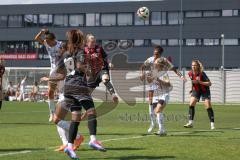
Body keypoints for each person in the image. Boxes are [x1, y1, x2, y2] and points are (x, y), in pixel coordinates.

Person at [63, 29, 108, 160]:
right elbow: (80, 66)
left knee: (76, 117)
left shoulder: (66, 52)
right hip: (78, 85)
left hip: (68, 87)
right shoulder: (81, 51)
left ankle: (69, 146)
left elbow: (67, 70)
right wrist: (89, 69)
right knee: (91, 111)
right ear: (80, 40)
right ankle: (93, 139)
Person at [40, 42, 84, 152]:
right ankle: (67, 143)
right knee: (60, 120)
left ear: (63, 49)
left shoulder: (67, 58)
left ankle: (77, 137)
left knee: (57, 119)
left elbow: (65, 76)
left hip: (68, 93)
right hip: (66, 93)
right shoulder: (66, 59)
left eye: (60, 48)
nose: (58, 50)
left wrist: (49, 79)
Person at [140, 45, 186, 133]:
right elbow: (142, 66)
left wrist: (181, 76)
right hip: (154, 83)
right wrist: (142, 75)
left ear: (160, 54)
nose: (154, 56)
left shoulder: (164, 61)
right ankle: (153, 124)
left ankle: (160, 128)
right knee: (151, 105)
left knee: (158, 109)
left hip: (161, 86)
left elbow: (174, 69)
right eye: (154, 54)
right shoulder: (150, 59)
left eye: (156, 54)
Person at [35, 28, 62, 121]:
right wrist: (42, 32)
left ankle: (62, 111)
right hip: (53, 71)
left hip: (62, 71)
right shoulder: (47, 43)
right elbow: (37, 38)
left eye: (48, 42)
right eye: (46, 42)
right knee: (50, 92)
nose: (47, 44)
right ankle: (52, 113)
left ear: (53, 40)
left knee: (63, 93)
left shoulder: (60, 45)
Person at [84, 34, 118, 102]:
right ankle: (87, 109)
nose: (94, 43)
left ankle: (113, 95)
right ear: (87, 42)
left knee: (105, 79)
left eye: (94, 41)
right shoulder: (84, 50)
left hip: (102, 68)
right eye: (92, 42)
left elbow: (105, 57)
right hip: (92, 73)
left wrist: (109, 63)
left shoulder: (99, 48)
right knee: (87, 94)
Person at [184, 60, 215, 130]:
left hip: (205, 90)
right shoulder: (190, 74)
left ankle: (212, 124)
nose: (193, 67)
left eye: (195, 65)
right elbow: (193, 82)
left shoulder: (202, 74)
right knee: (191, 103)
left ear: (198, 66)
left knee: (207, 105)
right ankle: (190, 122)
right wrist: (192, 89)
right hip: (196, 90)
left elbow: (209, 83)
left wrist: (200, 82)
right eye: (192, 65)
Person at [146, 58, 173, 135]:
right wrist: (149, 78)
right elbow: (150, 81)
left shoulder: (164, 73)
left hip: (164, 94)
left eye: (156, 63)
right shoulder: (153, 72)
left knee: (158, 110)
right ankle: (162, 130)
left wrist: (158, 80)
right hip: (156, 95)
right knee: (157, 112)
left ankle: (161, 130)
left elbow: (168, 84)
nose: (154, 64)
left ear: (160, 64)